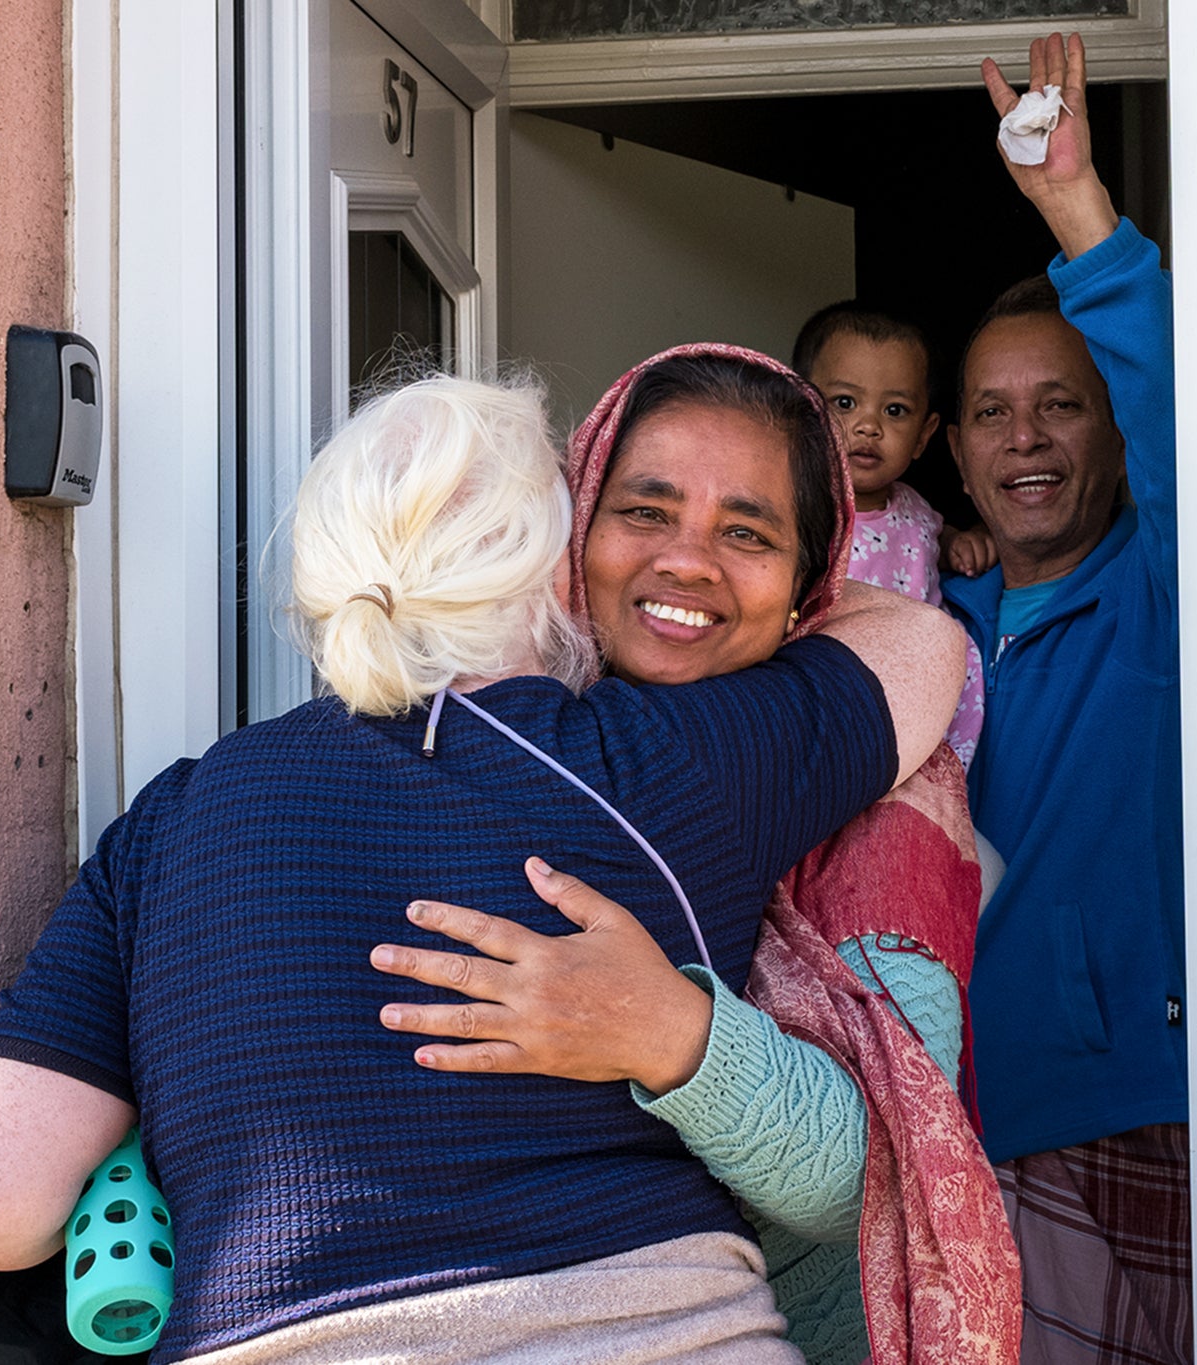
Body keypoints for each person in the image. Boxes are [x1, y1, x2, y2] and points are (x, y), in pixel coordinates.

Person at [0, 373, 969, 1363]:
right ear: (554, 560)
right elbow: (923, 642)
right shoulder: (667, 760)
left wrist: (172, 1116)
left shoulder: (174, 820)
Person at [372, 345, 1021, 1364]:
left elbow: (875, 1176)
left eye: (747, 532)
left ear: (813, 583)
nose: (686, 560)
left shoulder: (878, 812)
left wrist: (668, 1033)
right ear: (572, 525)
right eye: (643, 511)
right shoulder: (477, 731)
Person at [937, 33, 1192, 1365]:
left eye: (1063, 406)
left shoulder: (1165, 590)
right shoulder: (916, 622)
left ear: (1113, 428)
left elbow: (1181, 411)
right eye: (991, 412)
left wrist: (1070, 210)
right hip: (937, 1129)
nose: (1026, 437)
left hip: (1120, 1105)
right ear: (955, 450)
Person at [792, 305, 987, 770]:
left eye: (894, 410)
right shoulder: (798, 511)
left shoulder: (918, 510)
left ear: (924, 435)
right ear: (801, 409)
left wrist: (965, 540)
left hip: (923, 694)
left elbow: (930, 542)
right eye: (844, 402)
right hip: (838, 693)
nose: (868, 425)